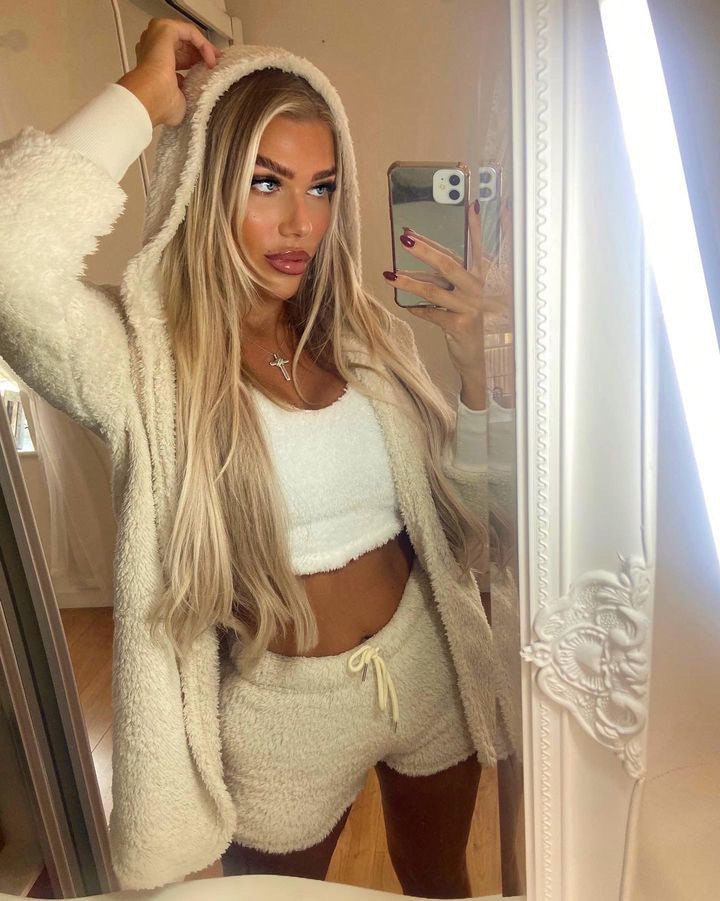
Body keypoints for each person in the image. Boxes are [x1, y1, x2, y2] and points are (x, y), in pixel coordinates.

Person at [0, 18, 520, 894]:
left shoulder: (364, 337)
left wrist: (474, 366)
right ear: (206, 185)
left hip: (425, 660)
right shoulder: (146, 365)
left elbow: (473, 524)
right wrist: (143, 97)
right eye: (266, 181)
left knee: (442, 882)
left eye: (322, 187)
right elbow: (10, 260)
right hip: (284, 716)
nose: (299, 222)